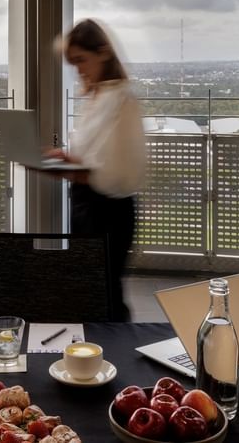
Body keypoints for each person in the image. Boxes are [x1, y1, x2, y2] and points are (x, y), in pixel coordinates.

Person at [47, 19, 147, 322]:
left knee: (106, 295)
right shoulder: (100, 97)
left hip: (108, 211)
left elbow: (125, 170)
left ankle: (113, 357)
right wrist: (66, 159)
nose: (78, 70)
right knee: (91, 291)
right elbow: (92, 158)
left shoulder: (122, 100)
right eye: (73, 63)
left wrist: (74, 169)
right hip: (86, 204)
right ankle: (90, 358)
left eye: (81, 60)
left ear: (103, 52)